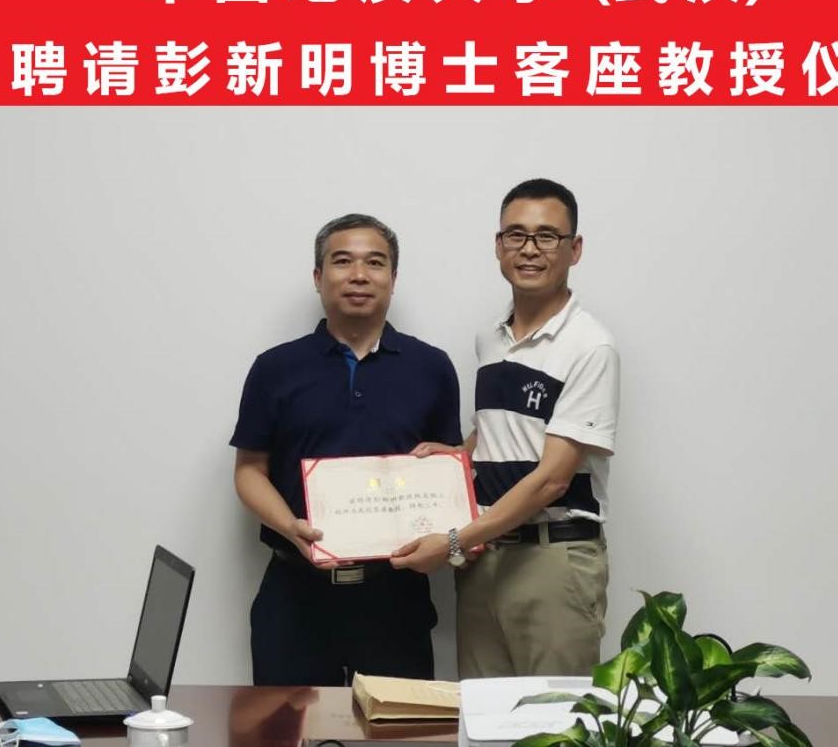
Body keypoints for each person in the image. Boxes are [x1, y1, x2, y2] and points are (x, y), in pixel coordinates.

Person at [392, 178, 619, 678]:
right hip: (486, 556)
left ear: (575, 249)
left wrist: (454, 542)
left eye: (547, 236)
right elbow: (501, 431)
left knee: (555, 716)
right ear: (498, 246)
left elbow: (552, 479)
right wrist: (458, 456)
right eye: (516, 235)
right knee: (482, 712)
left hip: (552, 559)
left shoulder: (590, 346)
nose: (529, 249)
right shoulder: (491, 339)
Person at [229, 213, 461, 685]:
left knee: (397, 724)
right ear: (318, 277)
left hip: (395, 598)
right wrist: (290, 527)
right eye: (342, 262)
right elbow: (249, 470)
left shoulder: (432, 367)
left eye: (375, 263)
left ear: (393, 279)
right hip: (294, 595)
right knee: (285, 725)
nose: (359, 275)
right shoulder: (275, 368)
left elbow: (448, 471)